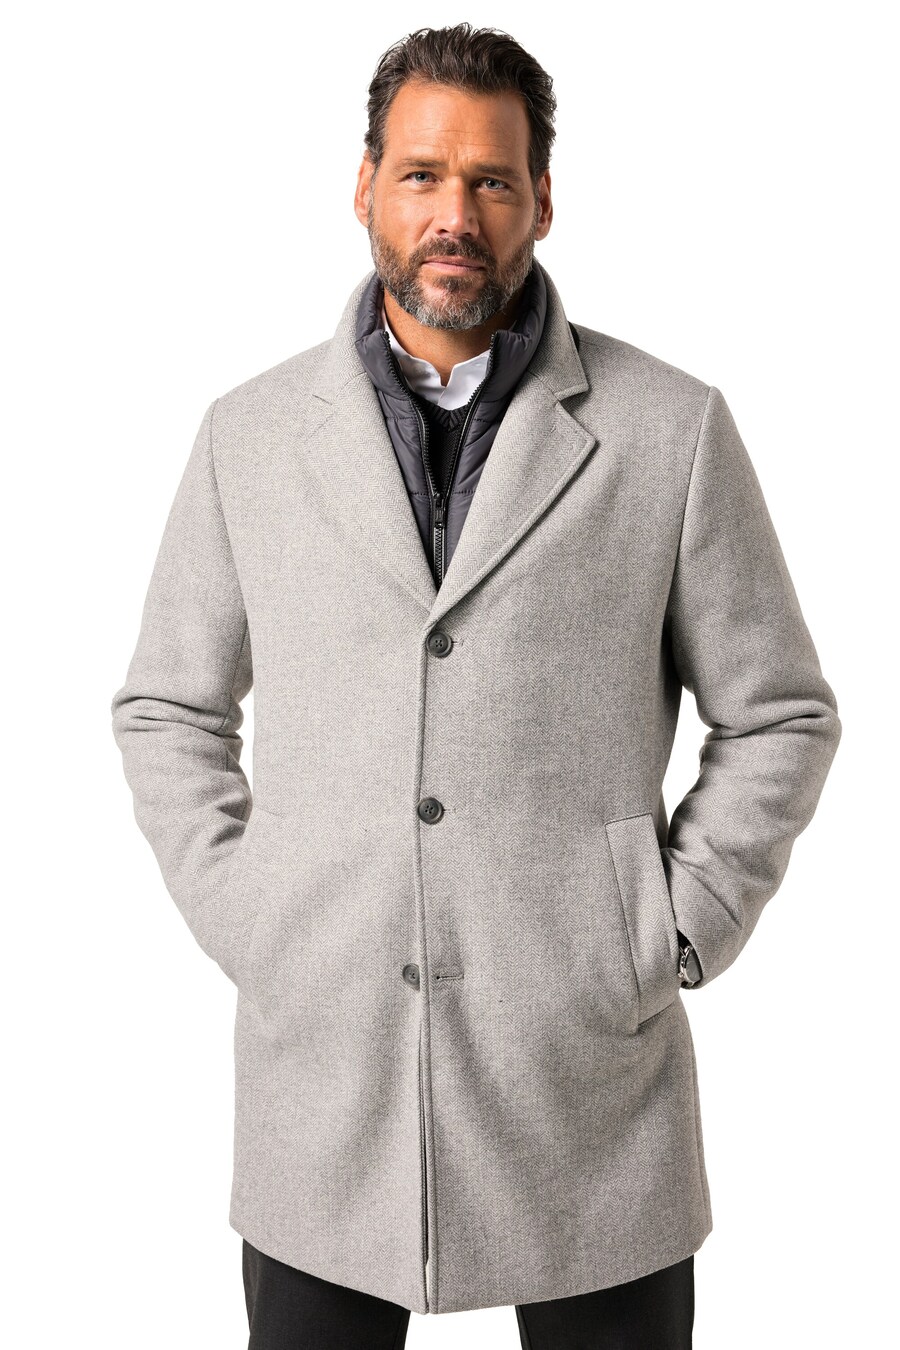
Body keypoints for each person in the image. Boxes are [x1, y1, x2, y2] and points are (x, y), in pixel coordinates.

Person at [111, 22, 842, 1350]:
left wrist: (672, 925)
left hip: (586, 1084)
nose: (456, 214)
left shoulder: (668, 430)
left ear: (542, 200)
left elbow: (779, 711)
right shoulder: (249, 437)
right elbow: (168, 706)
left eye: (492, 180)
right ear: (365, 187)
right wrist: (252, 913)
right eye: (422, 175)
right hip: (323, 1081)